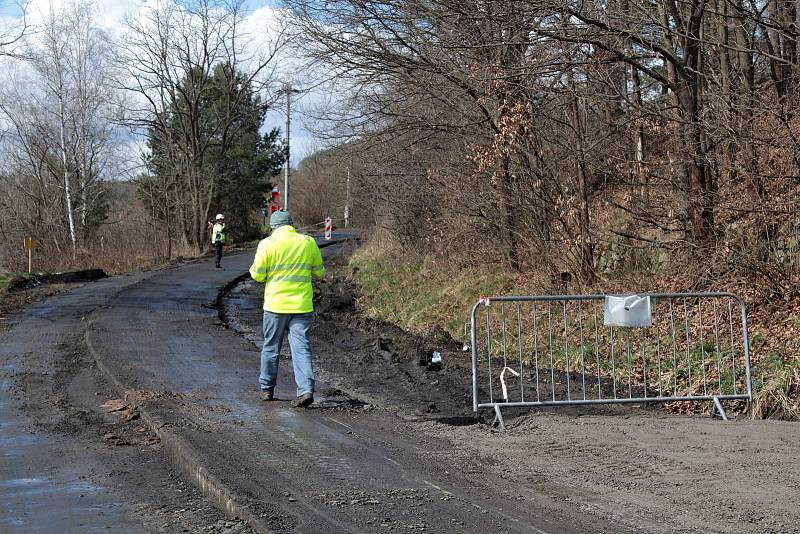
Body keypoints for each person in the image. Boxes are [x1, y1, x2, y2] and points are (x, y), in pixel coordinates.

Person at [249, 210, 325, 408]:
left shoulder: (267, 244)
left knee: (271, 347)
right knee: (301, 348)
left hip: (275, 306)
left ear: (273, 227)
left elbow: (257, 275)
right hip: (301, 306)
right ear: (292, 224)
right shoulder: (307, 242)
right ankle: (306, 390)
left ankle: (267, 389)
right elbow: (319, 271)